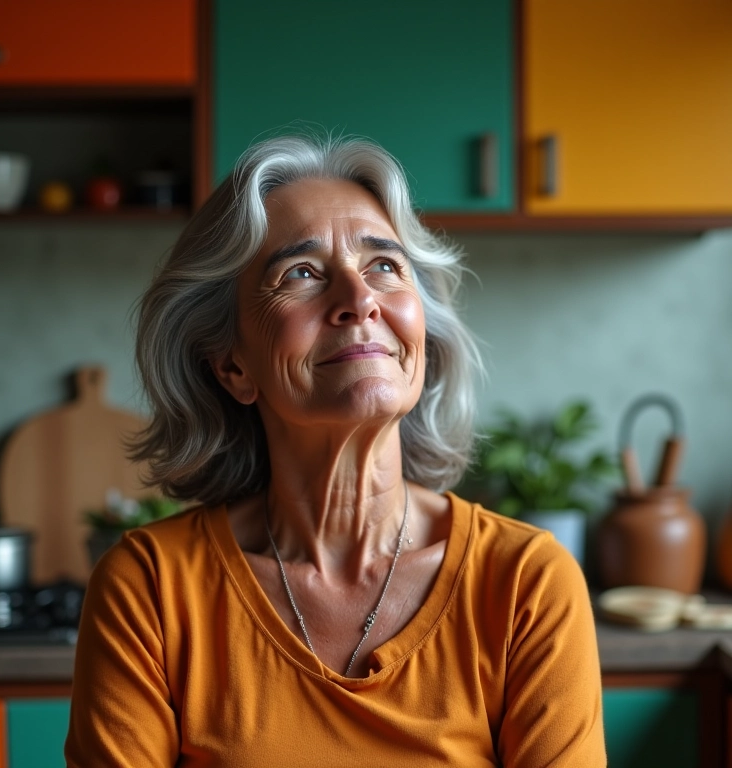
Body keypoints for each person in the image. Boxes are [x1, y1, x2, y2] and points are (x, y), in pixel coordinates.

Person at [65, 135, 606, 766]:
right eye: (301, 273)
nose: (360, 299)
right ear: (232, 366)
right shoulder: (150, 589)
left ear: (420, 335)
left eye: (384, 266)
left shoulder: (525, 583)